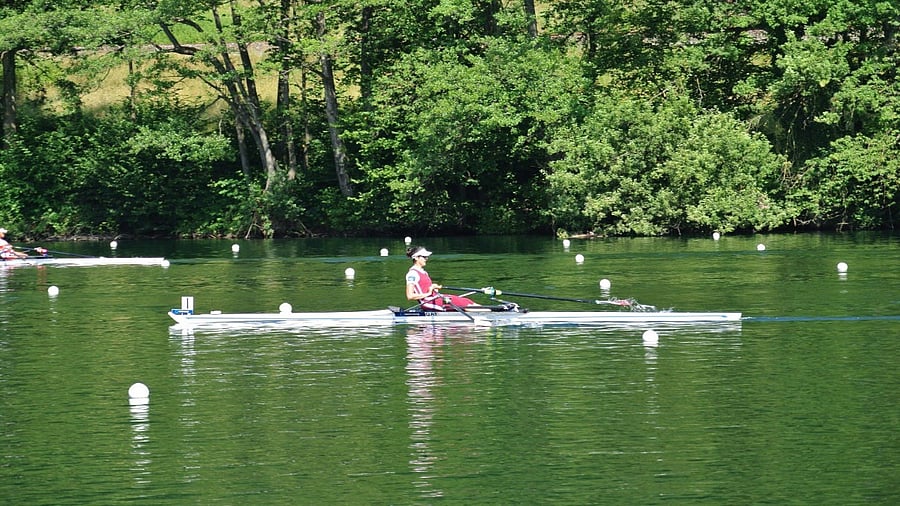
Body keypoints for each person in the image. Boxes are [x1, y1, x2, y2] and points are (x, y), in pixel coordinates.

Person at [405, 245, 476, 311]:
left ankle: (484, 312)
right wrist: (429, 293)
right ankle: (484, 315)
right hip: (428, 303)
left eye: (426, 256)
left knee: (466, 301)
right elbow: (410, 296)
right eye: (424, 257)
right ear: (416, 257)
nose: (426, 258)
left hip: (436, 298)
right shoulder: (412, 274)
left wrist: (433, 287)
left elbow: (425, 287)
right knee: (466, 305)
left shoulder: (424, 272)